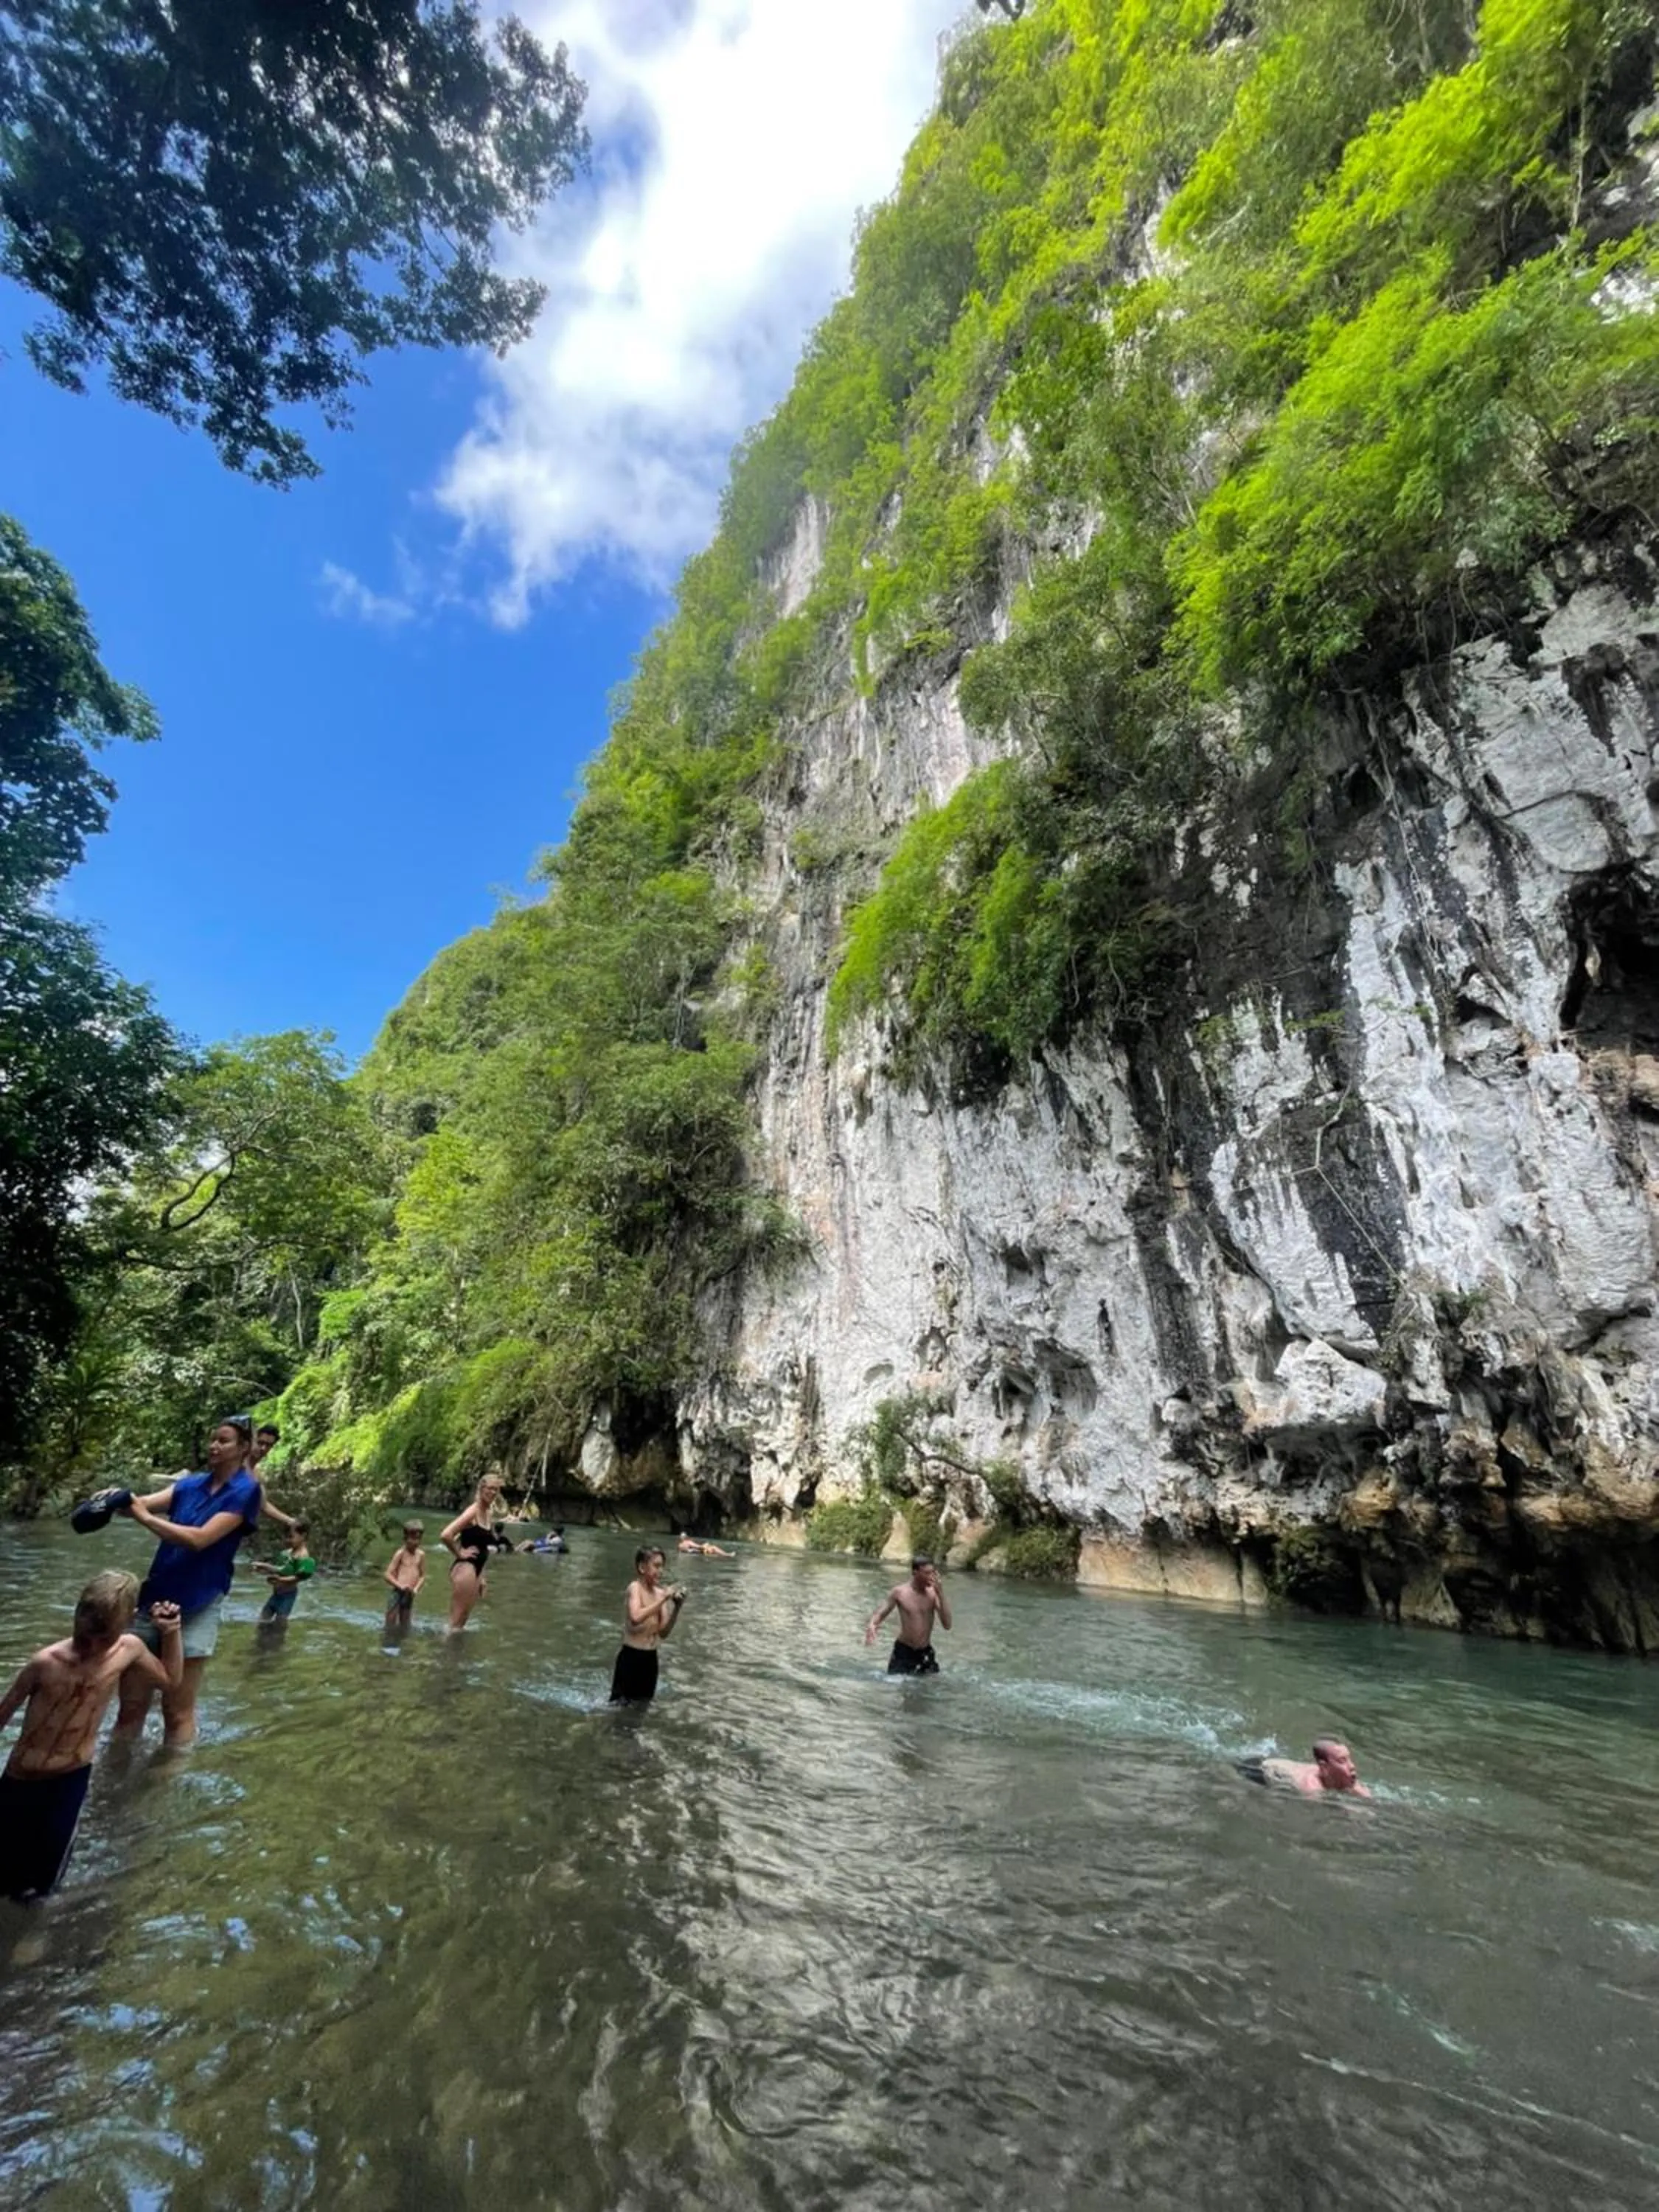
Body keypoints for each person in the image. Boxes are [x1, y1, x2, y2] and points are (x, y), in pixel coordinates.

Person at [0, 1572, 183, 1899]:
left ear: (128, 1623)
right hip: (21, 1777)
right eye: (86, 1639)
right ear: (76, 1618)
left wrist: (171, 1633)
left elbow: (170, 1681)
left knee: (48, 1866)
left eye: (105, 1639)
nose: (94, 1648)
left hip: (71, 1776)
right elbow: (4, 1713)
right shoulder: (46, 1662)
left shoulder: (130, 1649)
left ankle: (32, 1927)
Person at [113, 1414, 265, 1748]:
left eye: (224, 1441)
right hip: (153, 1600)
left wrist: (144, 1517)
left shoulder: (246, 1491)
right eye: (213, 1439)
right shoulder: (189, 1484)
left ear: (243, 1448)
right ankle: (113, 1786)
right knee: (131, 1708)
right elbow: (140, 1504)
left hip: (198, 1605)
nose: (214, 1446)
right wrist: (116, 1501)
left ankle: (167, 1787)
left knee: (177, 1710)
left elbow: (199, 1539)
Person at [609, 1546, 686, 1705]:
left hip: (650, 1659)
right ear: (642, 1567)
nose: (661, 1571)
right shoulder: (635, 1588)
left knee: (643, 1707)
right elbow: (635, 1617)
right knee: (620, 1707)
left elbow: (663, 1633)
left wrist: (677, 1608)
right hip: (631, 1657)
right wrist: (663, 1599)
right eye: (656, 1566)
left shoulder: (660, 1593)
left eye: (662, 1566)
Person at [439, 1474, 507, 1632]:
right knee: (455, 1622)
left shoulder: (488, 1513)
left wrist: (482, 1577)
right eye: (490, 1488)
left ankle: (457, 1654)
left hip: (477, 1569)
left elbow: (483, 1547)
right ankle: (444, 1654)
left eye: (496, 1490)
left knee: (463, 1622)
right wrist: (459, 1554)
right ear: (481, 1488)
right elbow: (446, 1534)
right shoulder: (473, 1511)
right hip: (466, 1568)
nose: (493, 1493)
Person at [865, 1555, 952, 1676]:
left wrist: (941, 1593)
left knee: (930, 1688)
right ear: (915, 1573)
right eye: (927, 1573)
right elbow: (880, 1614)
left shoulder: (934, 1594)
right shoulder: (900, 1592)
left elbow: (947, 1625)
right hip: (904, 1651)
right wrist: (872, 1625)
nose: (932, 1577)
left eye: (933, 1573)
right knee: (898, 1688)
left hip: (925, 1651)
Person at [1239, 1739, 1372, 1798]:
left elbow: (1368, 1800)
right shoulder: (1311, 1788)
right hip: (1258, 1770)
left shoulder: (1347, 1778)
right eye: (1342, 1761)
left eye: (1349, 1759)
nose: (1352, 1766)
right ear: (1324, 1767)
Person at [251, 1519, 316, 1624]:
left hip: (287, 1597)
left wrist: (280, 1580)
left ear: (303, 1535)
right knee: (262, 1621)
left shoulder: (303, 1557)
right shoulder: (288, 1553)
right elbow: (281, 1569)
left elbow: (298, 1578)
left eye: (291, 1537)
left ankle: (277, 1640)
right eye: (286, 1537)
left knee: (280, 1624)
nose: (287, 1540)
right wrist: (264, 1567)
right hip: (276, 1595)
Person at [384, 1521, 427, 1628]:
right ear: (405, 1538)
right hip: (397, 1592)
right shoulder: (401, 1554)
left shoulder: (421, 1555)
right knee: (390, 1623)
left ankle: (403, 1640)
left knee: (405, 1624)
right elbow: (387, 1575)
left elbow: (422, 1576)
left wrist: (416, 1589)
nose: (415, 1542)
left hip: (410, 1594)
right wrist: (400, 1586)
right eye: (412, 1539)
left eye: (418, 1539)